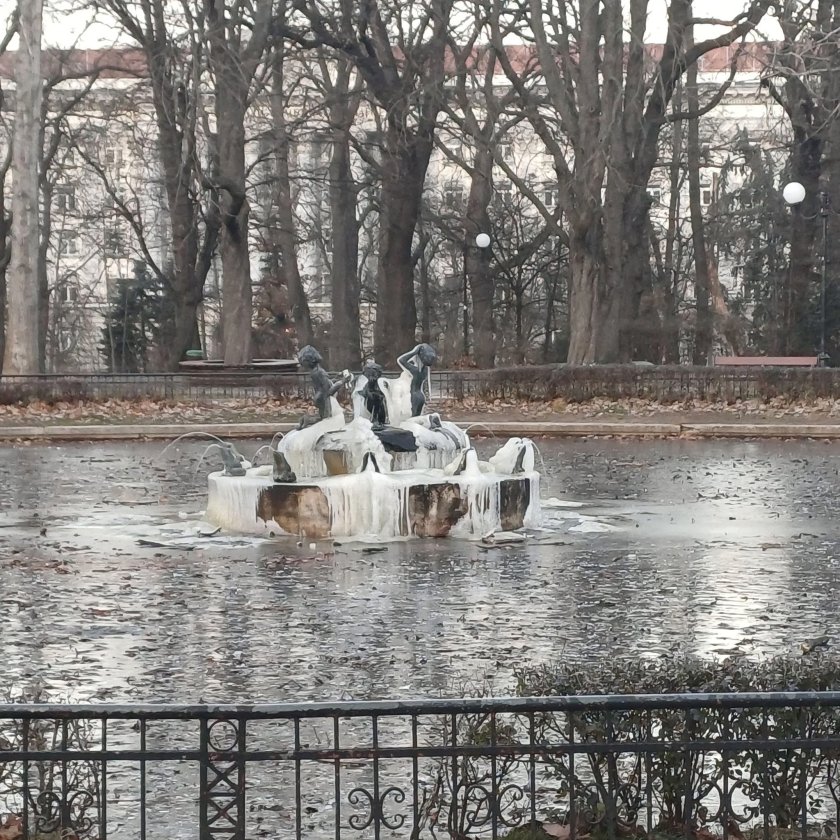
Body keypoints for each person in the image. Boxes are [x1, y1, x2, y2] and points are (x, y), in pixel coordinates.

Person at [297, 345, 352, 421]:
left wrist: (336, 379)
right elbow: (329, 391)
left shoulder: (315, 372)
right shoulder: (319, 372)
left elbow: (326, 384)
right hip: (327, 403)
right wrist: (342, 381)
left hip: (322, 401)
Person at [397, 343, 438, 418]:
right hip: (421, 396)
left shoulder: (414, 370)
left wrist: (414, 351)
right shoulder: (425, 370)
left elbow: (401, 360)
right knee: (417, 418)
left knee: (413, 419)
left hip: (413, 396)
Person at [360, 362, 388, 426]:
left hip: (375, 398)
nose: (378, 374)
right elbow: (366, 390)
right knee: (375, 404)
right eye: (378, 372)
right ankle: (375, 420)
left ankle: (379, 420)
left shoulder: (376, 380)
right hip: (370, 399)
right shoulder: (369, 380)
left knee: (378, 404)